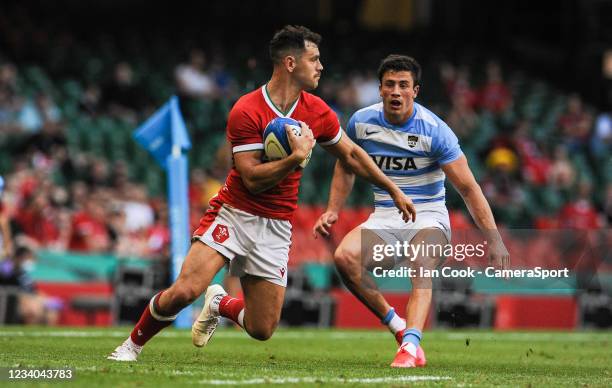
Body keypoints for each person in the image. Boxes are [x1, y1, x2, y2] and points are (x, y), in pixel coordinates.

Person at [108, 26, 416, 361]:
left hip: (276, 225)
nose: (320, 66)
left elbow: (352, 155)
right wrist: (296, 158)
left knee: (262, 328)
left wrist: (393, 189)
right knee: (184, 291)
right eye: (313, 59)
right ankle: (131, 346)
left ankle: (220, 303)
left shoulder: (318, 112)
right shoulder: (247, 109)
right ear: (289, 63)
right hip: (234, 213)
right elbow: (252, 178)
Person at [313, 55, 510, 368]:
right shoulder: (362, 123)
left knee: (421, 260)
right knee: (344, 258)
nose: (396, 91)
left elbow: (470, 189)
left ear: (415, 91)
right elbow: (346, 164)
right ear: (379, 89)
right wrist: (333, 209)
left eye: (403, 85)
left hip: (429, 216)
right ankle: (396, 325)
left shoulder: (435, 131)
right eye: (389, 84)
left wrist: (494, 240)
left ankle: (411, 345)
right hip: (385, 217)